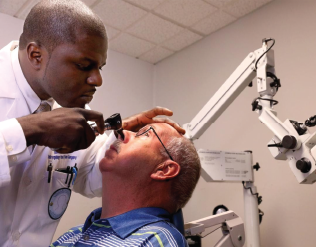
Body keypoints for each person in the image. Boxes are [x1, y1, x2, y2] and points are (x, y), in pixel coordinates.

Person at [0, 1, 185, 246]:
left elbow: (89, 176)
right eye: (83, 65)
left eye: (99, 67)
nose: (97, 80)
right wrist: (30, 130)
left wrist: (120, 143)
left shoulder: (74, 111)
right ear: (37, 55)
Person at [52, 123, 201, 247]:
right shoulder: (73, 234)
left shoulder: (158, 240)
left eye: (144, 134)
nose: (122, 133)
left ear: (164, 169)